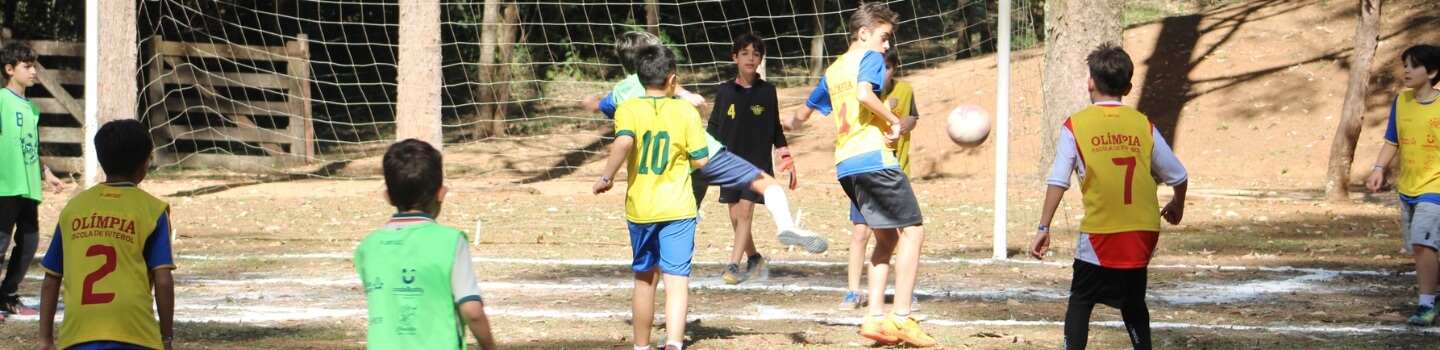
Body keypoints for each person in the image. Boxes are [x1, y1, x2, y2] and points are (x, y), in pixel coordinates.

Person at [585, 31, 825, 255]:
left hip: (675, 168)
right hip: (705, 153)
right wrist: (687, 94)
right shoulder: (669, 87)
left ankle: (668, 262)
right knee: (767, 184)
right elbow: (672, 86)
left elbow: (607, 108)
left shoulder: (620, 93)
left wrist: (592, 105)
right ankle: (785, 224)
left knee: (681, 218)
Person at [787, 2, 934, 347]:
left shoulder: (834, 68)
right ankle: (901, 318)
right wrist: (896, 121)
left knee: (886, 239)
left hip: (846, 166)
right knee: (914, 232)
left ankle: (874, 318)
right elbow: (865, 94)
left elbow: (803, 115)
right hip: (873, 159)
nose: (886, 46)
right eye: (884, 37)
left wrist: (783, 125)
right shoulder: (870, 58)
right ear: (864, 33)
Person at [1028, 43, 1188, 350]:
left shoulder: (1076, 126)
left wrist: (1044, 228)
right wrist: (1177, 204)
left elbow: (1058, 181)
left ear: (1090, 81)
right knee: (1132, 299)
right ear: (1128, 88)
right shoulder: (1143, 125)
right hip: (1144, 230)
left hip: (1103, 231)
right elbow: (1178, 176)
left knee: (1081, 300)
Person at [591, 45, 708, 350]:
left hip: (641, 208)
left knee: (644, 279)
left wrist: (607, 177)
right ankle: (673, 342)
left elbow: (624, 141)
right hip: (679, 207)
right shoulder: (686, 111)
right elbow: (701, 160)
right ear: (673, 80)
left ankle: (641, 346)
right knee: (676, 279)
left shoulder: (628, 109)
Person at [37, 119, 174, 350]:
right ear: (144, 164)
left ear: (101, 160)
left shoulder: (73, 208)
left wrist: (45, 340)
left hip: (78, 333)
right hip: (135, 332)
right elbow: (162, 280)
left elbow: (51, 280)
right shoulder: (153, 210)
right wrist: (167, 338)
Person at [355, 139, 497, 350]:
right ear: (441, 193)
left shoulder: (367, 248)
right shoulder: (450, 241)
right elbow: (472, 311)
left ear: (388, 197)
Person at [830, 49, 921, 309]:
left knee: (904, 232)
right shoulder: (865, 89)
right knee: (861, 231)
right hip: (868, 166)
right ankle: (853, 290)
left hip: (895, 168)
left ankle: (903, 292)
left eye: (889, 67)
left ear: (895, 68)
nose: (884, 72)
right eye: (881, 67)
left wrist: (906, 122)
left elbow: (913, 117)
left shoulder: (904, 90)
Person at [706, 32, 795, 284]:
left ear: (761, 60)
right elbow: (713, 125)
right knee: (735, 217)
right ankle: (754, 258)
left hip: (757, 163)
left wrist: (784, 151)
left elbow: (775, 127)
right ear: (735, 57)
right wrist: (702, 152)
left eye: (755, 54)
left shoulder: (768, 91)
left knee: (745, 213)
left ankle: (733, 266)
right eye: (744, 53)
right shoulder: (724, 91)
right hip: (727, 161)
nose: (750, 58)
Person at [1365, 44, 1440, 327]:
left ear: (1432, 72)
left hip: (1435, 188)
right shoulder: (1402, 102)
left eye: (1414, 65)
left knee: (1422, 243)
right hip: (1408, 188)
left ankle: (1426, 307)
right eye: (1405, 64)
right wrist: (1378, 168)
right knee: (1420, 250)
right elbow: (1392, 140)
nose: (1406, 70)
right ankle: (1434, 294)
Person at [0, 42, 65, 318]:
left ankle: (8, 295)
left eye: (34, 66)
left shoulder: (32, 109)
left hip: (28, 188)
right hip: (5, 186)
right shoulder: (2, 100)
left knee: (29, 241)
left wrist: (46, 174)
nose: (33, 71)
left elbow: (31, 147)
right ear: (9, 69)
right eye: (27, 66)